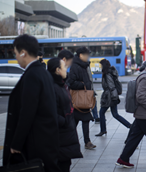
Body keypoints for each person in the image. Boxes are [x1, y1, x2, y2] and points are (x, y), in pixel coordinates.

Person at [3, 34, 61, 172]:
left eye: (16, 53)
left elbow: (27, 112)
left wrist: (16, 143)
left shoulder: (32, 75)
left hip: (35, 143)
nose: (15, 57)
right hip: (46, 140)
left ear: (23, 52)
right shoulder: (42, 72)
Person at [47, 58, 83, 172]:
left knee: (65, 164)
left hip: (65, 137)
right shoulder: (52, 87)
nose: (67, 71)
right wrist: (64, 121)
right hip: (60, 137)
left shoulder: (62, 84)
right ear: (57, 70)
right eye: (65, 68)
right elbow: (49, 112)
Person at [68, 47, 96, 150]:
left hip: (85, 98)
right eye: (86, 55)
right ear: (80, 55)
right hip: (78, 99)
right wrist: (83, 85)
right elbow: (71, 82)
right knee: (75, 122)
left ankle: (86, 141)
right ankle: (72, 140)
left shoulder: (84, 66)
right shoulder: (75, 66)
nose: (88, 57)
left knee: (85, 120)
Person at [96, 59, 131, 136]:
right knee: (115, 114)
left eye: (101, 65)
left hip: (109, 96)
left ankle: (103, 130)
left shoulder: (107, 74)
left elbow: (111, 86)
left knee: (102, 112)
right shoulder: (110, 72)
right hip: (112, 95)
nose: (100, 67)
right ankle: (129, 125)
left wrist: (110, 96)